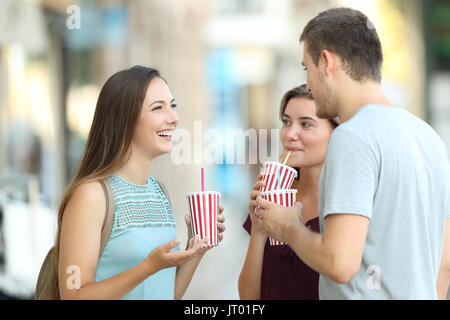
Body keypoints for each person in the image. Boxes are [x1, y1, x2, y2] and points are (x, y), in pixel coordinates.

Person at [256, 7, 450, 299]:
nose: (308, 82)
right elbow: (444, 264)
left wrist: (287, 226)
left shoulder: (352, 137)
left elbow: (339, 262)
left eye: (306, 68)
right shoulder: (429, 138)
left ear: (326, 62)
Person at [57, 66, 226, 299]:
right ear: (123, 119)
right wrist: (148, 267)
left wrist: (196, 250)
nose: (174, 118)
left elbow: (165, 294)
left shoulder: (159, 192)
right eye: (158, 108)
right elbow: (73, 295)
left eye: (173, 106)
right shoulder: (91, 195)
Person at [238, 85, 338, 300]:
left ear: (336, 133)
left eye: (306, 124)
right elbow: (248, 298)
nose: (290, 134)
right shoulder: (275, 195)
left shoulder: (345, 203)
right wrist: (258, 228)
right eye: (286, 122)